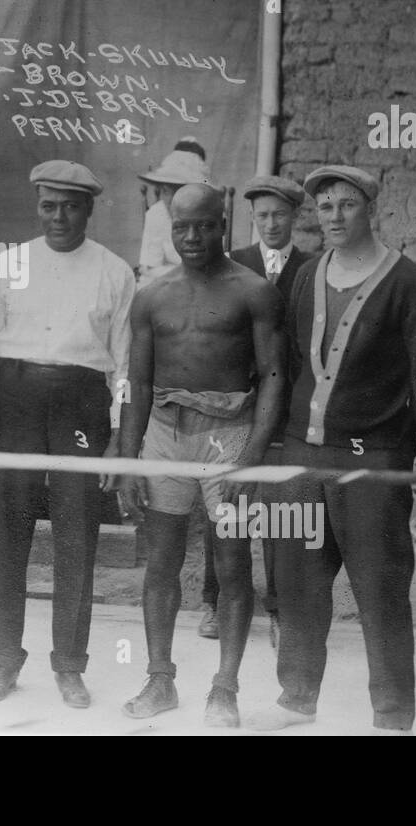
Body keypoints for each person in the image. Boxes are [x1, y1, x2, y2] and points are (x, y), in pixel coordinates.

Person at [252, 165, 416, 732]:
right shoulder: (307, 274)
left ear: (370, 209)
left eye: (346, 205)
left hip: (373, 458)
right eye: (324, 207)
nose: (333, 217)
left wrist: (402, 454)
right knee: (300, 582)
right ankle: (296, 697)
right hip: (306, 452)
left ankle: (393, 712)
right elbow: (297, 364)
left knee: (380, 588)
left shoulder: (408, 281)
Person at [113, 182, 285, 724]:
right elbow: (137, 384)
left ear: (224, 224)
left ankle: (225, 689)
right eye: (181, 227)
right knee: (161, 561)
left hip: (227, 437)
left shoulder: (252, 291)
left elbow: (275, 378)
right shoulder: (152, 295)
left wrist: (251, 454)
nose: (192, 237)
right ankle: (160, 679)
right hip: (164, 436)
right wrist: (128, 458)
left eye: (204, 225)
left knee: (231, 563)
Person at [0, 161, 134, 709]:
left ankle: (69, 665)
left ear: (88, 208)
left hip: (80, 406)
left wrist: (116, 438)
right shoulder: (9, 265)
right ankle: (4, 660)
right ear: (37, 206)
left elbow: (126, 368)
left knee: (75, 535)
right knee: (7, 534)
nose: (59, 217)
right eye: (48, 205)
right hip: (14, 402)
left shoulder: (115, 272)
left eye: (71, 206)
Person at [201, 175, 312, 645]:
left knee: (281, 511)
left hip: (286, 406)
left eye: (280, 215)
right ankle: (215, 602)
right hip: (235, 404)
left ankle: (280, 610)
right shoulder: (231, 264)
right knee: (227, 503)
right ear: (252, 218)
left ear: (294, 218)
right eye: (262, 215)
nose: (271, 223)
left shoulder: (311, 268)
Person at [136, 138, 209, 287]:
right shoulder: (156, 214)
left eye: (178, 191)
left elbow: (211, 268)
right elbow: (150, 267)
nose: (170, 200)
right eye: (165, 191)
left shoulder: (208, 217)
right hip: (164, 286)